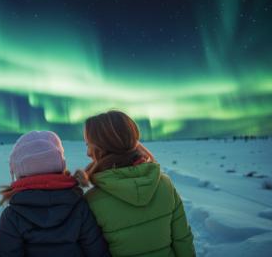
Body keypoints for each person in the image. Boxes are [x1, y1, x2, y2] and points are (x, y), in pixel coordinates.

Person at [75, 110, 195, 257]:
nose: (88, 153)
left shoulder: (92, 201)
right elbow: (183, 240)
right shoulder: (164, 184)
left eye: (89, 145)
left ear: (101, 148)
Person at [0, 131, 110, 257]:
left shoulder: (12, 215)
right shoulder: (79, 207)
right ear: (60, 165)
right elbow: (97, 251)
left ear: (18, 171)